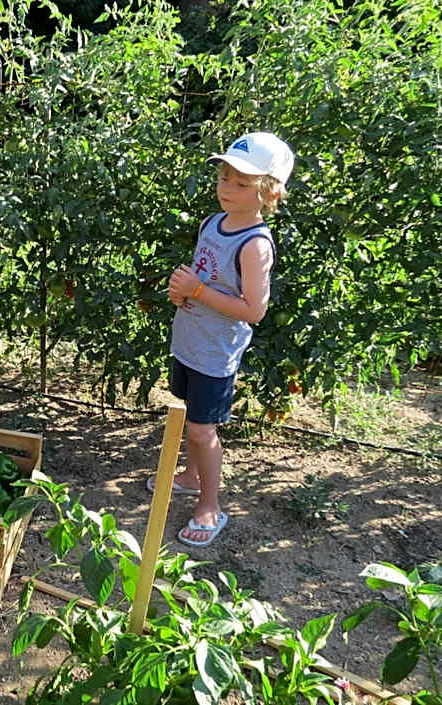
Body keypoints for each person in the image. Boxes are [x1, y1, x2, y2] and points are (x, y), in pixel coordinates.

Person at [161, 131, 294, 547]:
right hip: (190, 340)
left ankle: (209, 506)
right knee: (191, 415)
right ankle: (190, 475)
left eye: (241, 184)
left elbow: (254, 310)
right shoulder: (212, 223)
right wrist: (182, 290)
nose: (227, 189)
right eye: (224, 178)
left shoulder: (255, 246)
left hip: (216, 354)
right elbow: (206, 273)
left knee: (203, 430)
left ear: (269, 192)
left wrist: (197, 291)